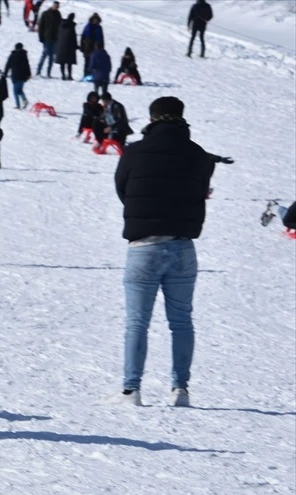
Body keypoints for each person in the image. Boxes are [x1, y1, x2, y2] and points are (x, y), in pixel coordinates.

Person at [112, 96, 213, 407]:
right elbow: (201, 192)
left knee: (137, 322)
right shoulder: (199, 155)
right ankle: (180, 389)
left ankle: (132, 391)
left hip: (144, 246)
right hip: (183, 246)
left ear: (152, 118)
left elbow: (121, 188)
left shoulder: (134, 151)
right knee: (182, 321)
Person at [35, 0, 59, 76]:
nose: (56, 7)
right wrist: (40, 37)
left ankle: (48, 72)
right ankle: (38, 70)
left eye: (57, 6)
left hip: (54, 38)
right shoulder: (45, 14)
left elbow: (59, 26)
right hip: (47, 37)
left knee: (51, 57)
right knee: (45, 54)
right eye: (55, 6)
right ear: (52, 6)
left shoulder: (58, 14)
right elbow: (41, 26)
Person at [4, 42, 30, 108]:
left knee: (16, 92)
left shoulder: (13, 55)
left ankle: (18, 105)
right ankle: (24, 100)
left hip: (16, 76)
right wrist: (28, 74)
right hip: (23, 76)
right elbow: (27, 66)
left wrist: (5, 73)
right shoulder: (24, 55)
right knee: (20, 90)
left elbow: (8, 65)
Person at [54, 11, 77, 80]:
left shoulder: (61, 25)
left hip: (61, 46)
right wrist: (76, 46)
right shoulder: (71, 26)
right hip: (69, 47)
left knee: (62, 62)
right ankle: (69, 75)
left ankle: (63, 75)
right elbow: (73, 37)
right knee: (69, 63)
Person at [79, 12, 102, 77]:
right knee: (87, 62)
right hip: (87, 48)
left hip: (97, 48)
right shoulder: (88, 27)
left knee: (95, 62)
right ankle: (86, 75)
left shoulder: (99, 28)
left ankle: (93, 75)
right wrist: (82, 47)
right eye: (94, 19)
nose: (95, 21)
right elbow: (83, 37)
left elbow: (101, 38)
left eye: (96, 19)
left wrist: (101, 48)